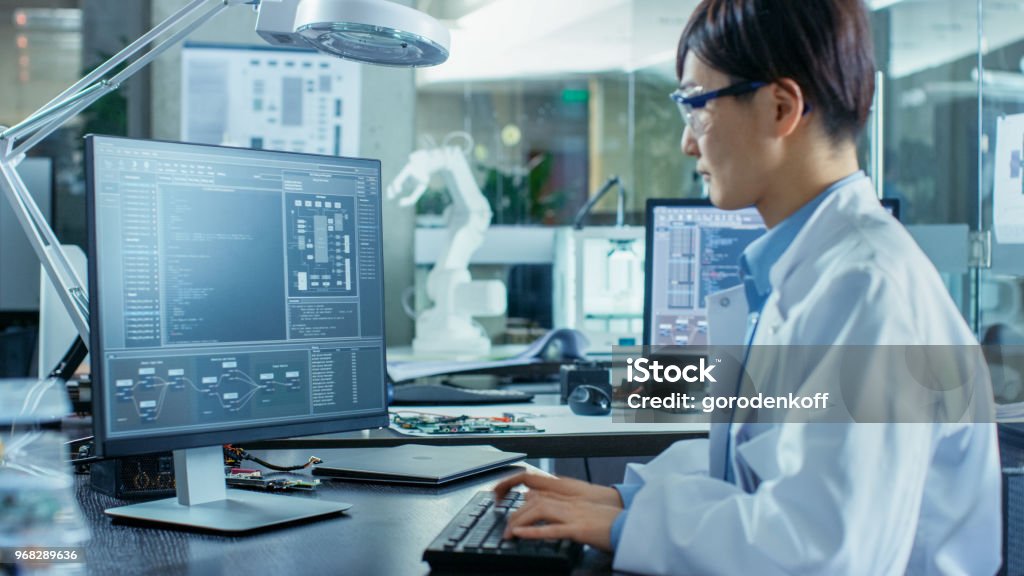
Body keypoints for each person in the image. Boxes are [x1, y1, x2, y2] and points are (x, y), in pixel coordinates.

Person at [494, 0, 1002, 573]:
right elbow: (758, 464)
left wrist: (624, 524)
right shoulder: (815, 268)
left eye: (696, 107)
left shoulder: (866, 287)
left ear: (780, 107)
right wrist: (622, 500)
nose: (690, 144)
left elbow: (821, 552)